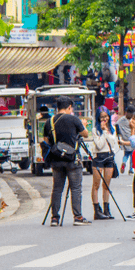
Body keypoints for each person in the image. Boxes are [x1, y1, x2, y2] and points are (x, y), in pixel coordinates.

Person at [43, 96, 92, 226]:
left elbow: (46, 141)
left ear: (57, 107)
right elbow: (85, 134)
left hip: (56, 160)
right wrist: (84, 125)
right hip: (72, 159)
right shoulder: (74, 119)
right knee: (76, 188)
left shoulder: (49, 121)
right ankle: (78, 217)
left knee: (57, 189)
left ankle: (54, 218)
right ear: (70, 107)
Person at [90, 107, 120, 220]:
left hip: (109, 157)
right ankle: (97, 211)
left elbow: (113, 144)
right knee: (96, 185)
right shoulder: (95, 130)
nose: (104, 119)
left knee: (106, 186)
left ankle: (106, 209)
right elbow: (99, 145)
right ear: (98, 117)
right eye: (102, 117)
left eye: (106, 116)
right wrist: (103, 131)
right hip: (98, 157)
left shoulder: (112, 129)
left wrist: (107, 132)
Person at [116, 108, 134, 175]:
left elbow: (116, 125)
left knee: (126, 154)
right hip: (131, 139)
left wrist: (118, 135)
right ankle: (131, 169)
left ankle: (124, 162)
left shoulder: (121, 120)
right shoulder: (132, 120)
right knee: (132, 155)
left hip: (124, 139)